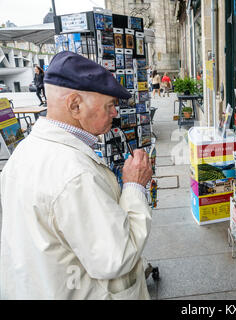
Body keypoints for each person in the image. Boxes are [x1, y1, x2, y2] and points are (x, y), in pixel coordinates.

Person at [0, 51, 153, 300]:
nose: (115, 113)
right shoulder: (74, 174)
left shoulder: (25, 152)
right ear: (75, 105)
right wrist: (134, 187)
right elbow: (117, 257)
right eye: (110, 105)